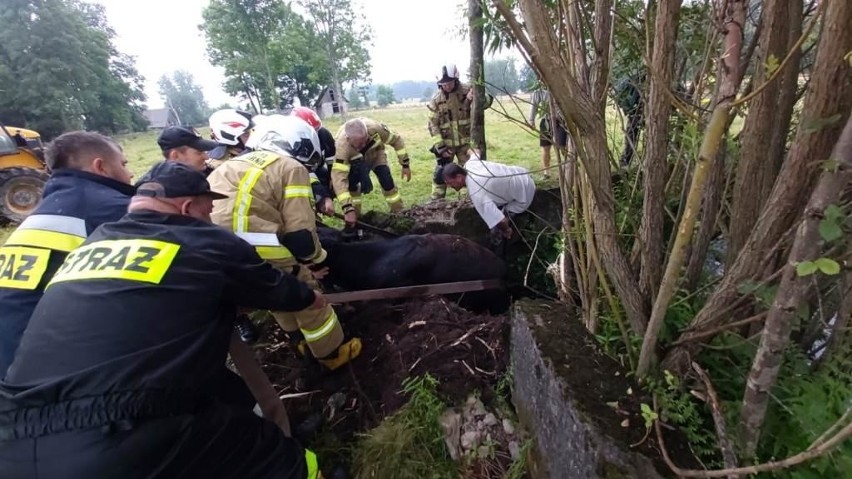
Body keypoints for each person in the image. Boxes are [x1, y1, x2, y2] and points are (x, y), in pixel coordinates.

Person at [0, 162, 324, 478]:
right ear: (186, 208)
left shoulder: (95, 242)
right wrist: (310, 296)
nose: (210, 219)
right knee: (279, 459)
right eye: (207, 211)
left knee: (228, 406)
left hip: (14, 433)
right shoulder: (206, 241)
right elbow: (279, 292)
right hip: (124, 433)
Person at [208, 115, 361, 371]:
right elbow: (300, 237)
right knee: (306, 292)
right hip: (257, 245)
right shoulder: (290, 167)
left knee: (274, 290)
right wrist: (317, 261)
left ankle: (298, 341)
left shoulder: (232, 164)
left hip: (214, 250)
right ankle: (332, 353)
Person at [0, 131, 135, 375]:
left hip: (10, 356)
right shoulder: (110, 208)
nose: (131, 173)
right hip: (49, 367)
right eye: (124, 164)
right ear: (101, 167)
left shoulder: (49, 206)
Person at [426, 63, 493, 199]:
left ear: (456, 79)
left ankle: (466, 201)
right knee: (440, 174)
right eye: (443, 84)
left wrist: (477, 97)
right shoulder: (436, 100)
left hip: (467, 145)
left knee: (468, 174)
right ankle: (436, 203)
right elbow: (433, 124)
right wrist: (441, 147)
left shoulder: (469, 90)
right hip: (447, 146)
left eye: (449, 83)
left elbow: (487, 102)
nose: (447, 86)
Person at [331, 117, 410, 225]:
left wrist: (405, 164)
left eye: (366, 141)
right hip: (354, 162)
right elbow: (339, 179)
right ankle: (356, 217)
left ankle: (399, 211)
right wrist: (347, 208)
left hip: (376, 154)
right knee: (352, 186)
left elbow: (396, 140)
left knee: (387, 180)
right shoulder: (341, 148)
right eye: (359, 144)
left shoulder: (375, 128)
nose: (363, 146)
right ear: (349, 140)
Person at [442, 151, 535, 240]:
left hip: (525, 194)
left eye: (450, 183)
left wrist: (506, 230)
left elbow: (500, 220)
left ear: (459, 177)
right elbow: (475, 151)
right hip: (523, 174)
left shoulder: (476, 193)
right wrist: (469, 151)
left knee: (497, 228)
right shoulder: (470, 165)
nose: (449, 186)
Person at [290, 107, 338, 217]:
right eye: (313, 131)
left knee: (331, 182)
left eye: (317, 130)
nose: (316, 134)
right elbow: (306, 173)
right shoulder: (294, 143)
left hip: (318, 167)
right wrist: (322, 196)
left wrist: (333, 177)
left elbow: (332, 158)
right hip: (300, 174)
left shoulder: (324, 134)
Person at [528, 87, 567, 179]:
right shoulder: (539, 92)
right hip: (546, 120)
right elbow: (534, 105)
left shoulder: (559, 86)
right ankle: (546, 172)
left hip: (561, 121)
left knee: (562, 146)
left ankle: (566, 170)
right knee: (545, 147)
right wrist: (531, 120)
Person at [155, 125, 219, 173]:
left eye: (204, 152)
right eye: (199, 153)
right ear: (175, 156)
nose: (206, 157)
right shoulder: (165, 189)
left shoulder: (206, 173)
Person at [615, 73, 645, 166]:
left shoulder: (633, 79)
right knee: (632, 135)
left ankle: (625, 161)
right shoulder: (639, 81)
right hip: (637, 112)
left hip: (634, 113)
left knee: (631, 135)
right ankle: (625, 161)